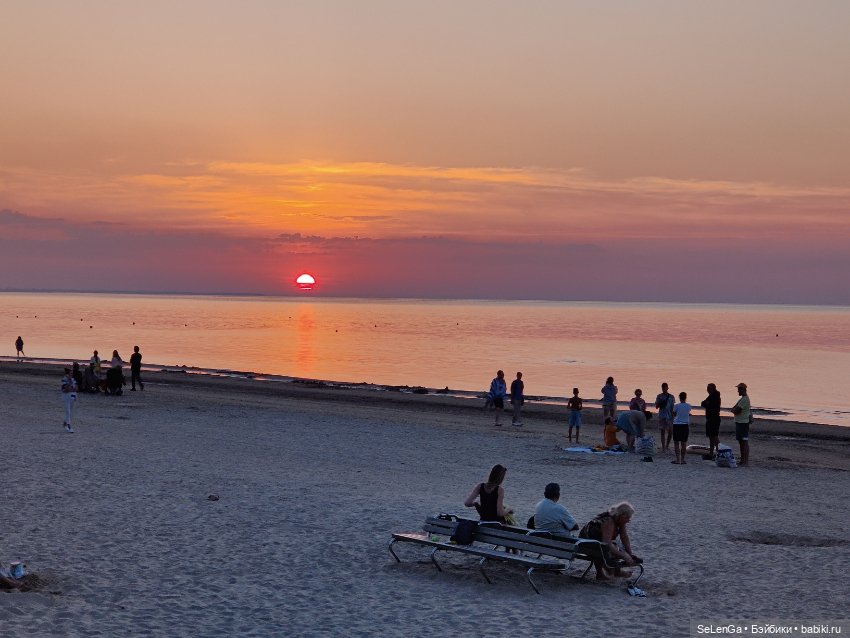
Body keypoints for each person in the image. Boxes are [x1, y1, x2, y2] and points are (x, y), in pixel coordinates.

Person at [579, 502, 641, 581]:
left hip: (595, 543)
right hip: (587, 544)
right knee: (611, 549)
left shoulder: (618, 519)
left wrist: (630, 554)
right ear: (622, 515)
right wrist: (624, 556)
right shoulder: (608, 521)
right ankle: (604, 573)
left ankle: (615, 571)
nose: (629, 520)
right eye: (628, 518)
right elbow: (607, 543)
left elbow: (624, 537)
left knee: (616, 548)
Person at [731, 382, 751, 466]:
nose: (738, 391)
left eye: (739, 389)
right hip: (740, 422)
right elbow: (734, 408)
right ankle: (743, 460)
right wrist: (734, 410)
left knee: (744, 442)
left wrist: (734, 410)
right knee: (741, 442)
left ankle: (745, 461)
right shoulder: (742, 399)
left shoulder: (745, 399)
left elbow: (736, 410)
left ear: (743, 389)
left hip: (743, 423)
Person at [701, 383, 722, 457]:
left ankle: (719, 451)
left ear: (713, 389)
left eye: (709, 388)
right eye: (707, 388)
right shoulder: (711, 396)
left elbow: (709, 405)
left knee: (714, 436)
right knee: (711, 436)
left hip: (714, 418)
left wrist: (706, 404)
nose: (707, 389)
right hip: (710, 418)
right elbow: (703, 403)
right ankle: (712, 453)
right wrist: (706, 404)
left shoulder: (715, 396)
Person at [671, 391, 692, 464]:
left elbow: (673, 414)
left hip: (677, 424)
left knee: (676, 443)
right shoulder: (689, 406)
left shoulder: (676, 405)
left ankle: (678, 459)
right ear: (685, 397)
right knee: (683, 443)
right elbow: (688, 412)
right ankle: (682, 459)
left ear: (679, 398)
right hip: (685, 425)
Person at [655, 382, 674, 454]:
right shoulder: (659, 396)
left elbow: (672, 407)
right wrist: (660, 403)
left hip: (669, 416)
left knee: (670, 432)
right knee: (662, 431)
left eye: (665, 387)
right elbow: (656, 406)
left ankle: (667, 446)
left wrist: (673, 415)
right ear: (662, 388)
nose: (664, 389)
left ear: (667, 388)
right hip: (662, 415)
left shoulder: (671, 397)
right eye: (663, 388)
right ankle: (663, 447)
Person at [61, 367, 77, 433]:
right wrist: (70, 385)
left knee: (70, 412)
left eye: (72, 374)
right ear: (67, 374)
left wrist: (70, 388)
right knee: (68, 411)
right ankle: (68, 425)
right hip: (66, 397)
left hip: (72, 397)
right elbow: (66, 389)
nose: (71, 375)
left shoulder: (73, 379)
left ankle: (65, 423)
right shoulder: (64, 380)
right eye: (70, 374)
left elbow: (76, 388)